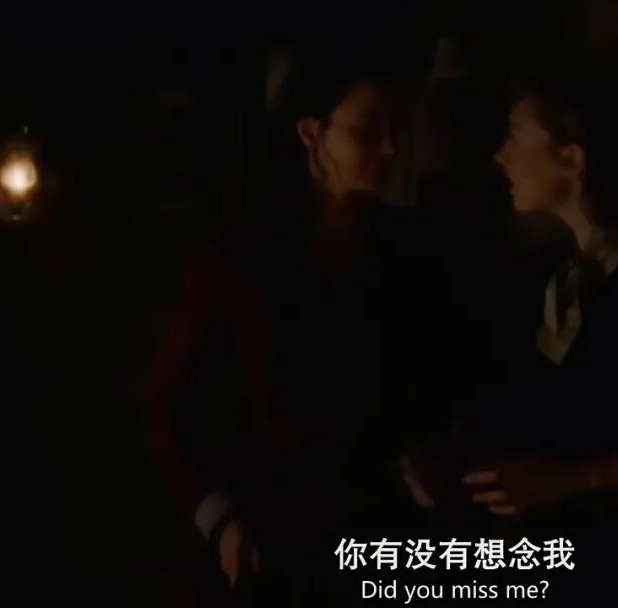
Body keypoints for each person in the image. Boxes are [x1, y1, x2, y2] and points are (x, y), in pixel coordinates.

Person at [404, 63, 618, 606]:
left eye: (516, 136)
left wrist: (564, 480)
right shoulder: (565, 277)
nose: (501, 156)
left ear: (572, 159)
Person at [141, 42, 443, 605]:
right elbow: (168, 406)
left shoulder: (401, 250)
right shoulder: (237, 257)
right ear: (311, 133)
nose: (389, 147)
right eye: (368, 129)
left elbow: (421, 387)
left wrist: (423, 459)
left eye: (395, 128)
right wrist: (219, 518)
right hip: (268, 533)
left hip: (375, 531)